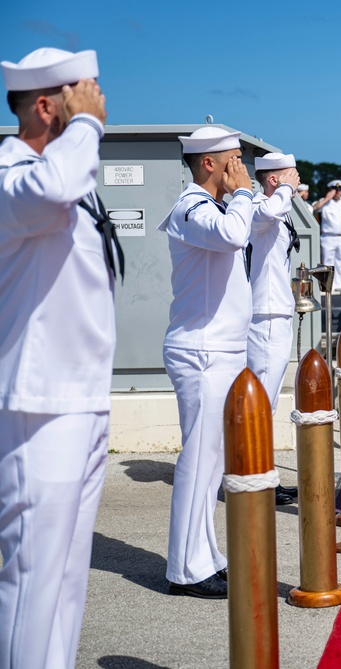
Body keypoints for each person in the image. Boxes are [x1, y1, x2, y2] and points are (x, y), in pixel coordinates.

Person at [0, 46, 120, 669]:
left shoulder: (65, 169)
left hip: (82, 398)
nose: (97, 101)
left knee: (68, 581)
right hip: (38, 403)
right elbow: (53, 192)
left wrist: (81, 131)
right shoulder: (13, 175)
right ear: (47, 104)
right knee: (32, 582)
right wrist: (87, 126)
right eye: (84, 91)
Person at [158, 126, 256, 599]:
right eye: (233, 159)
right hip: (201, 351)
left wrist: (242, 197)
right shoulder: (192, 208)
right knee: (198, 462)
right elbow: (234, 236)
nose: (241, 167)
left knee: (212, 464)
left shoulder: (217, 206)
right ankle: (184, 569)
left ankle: (205, 556)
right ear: (208, 164)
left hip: (222, 349)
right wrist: (241, 195)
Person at [248, 152, 301, 506]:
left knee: (268, 403)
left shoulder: (275, 210)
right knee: (261, 403)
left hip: (276, 311)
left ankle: (265, 477)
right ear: (274, 180)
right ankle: (257, 480)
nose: (297, 183)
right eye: (292, 176)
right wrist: (286, 191)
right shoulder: (258, 208)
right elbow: (266, 214)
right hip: (265, 316)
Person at [317, 178, 341, 293]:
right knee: (327, 262)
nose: (338, 192)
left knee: (340, 262)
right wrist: (327, 199)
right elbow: (314, 209)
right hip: (328, 236)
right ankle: (327, 287)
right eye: (336, 189)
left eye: (340, 189)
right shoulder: (324, 202)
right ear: (331, 190)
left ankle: (339, 285)